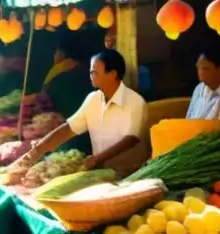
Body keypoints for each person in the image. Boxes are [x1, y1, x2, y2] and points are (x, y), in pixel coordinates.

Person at [13, 48, 149, 178]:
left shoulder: (134, 101)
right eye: (90, 72)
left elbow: (131, 139)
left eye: (95, 72)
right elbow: (68, 129)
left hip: (132, 173)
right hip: (102, 173)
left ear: (112, 74)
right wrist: (33, 154)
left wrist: (98, 158)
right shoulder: (93, 99)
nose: (90, 76)